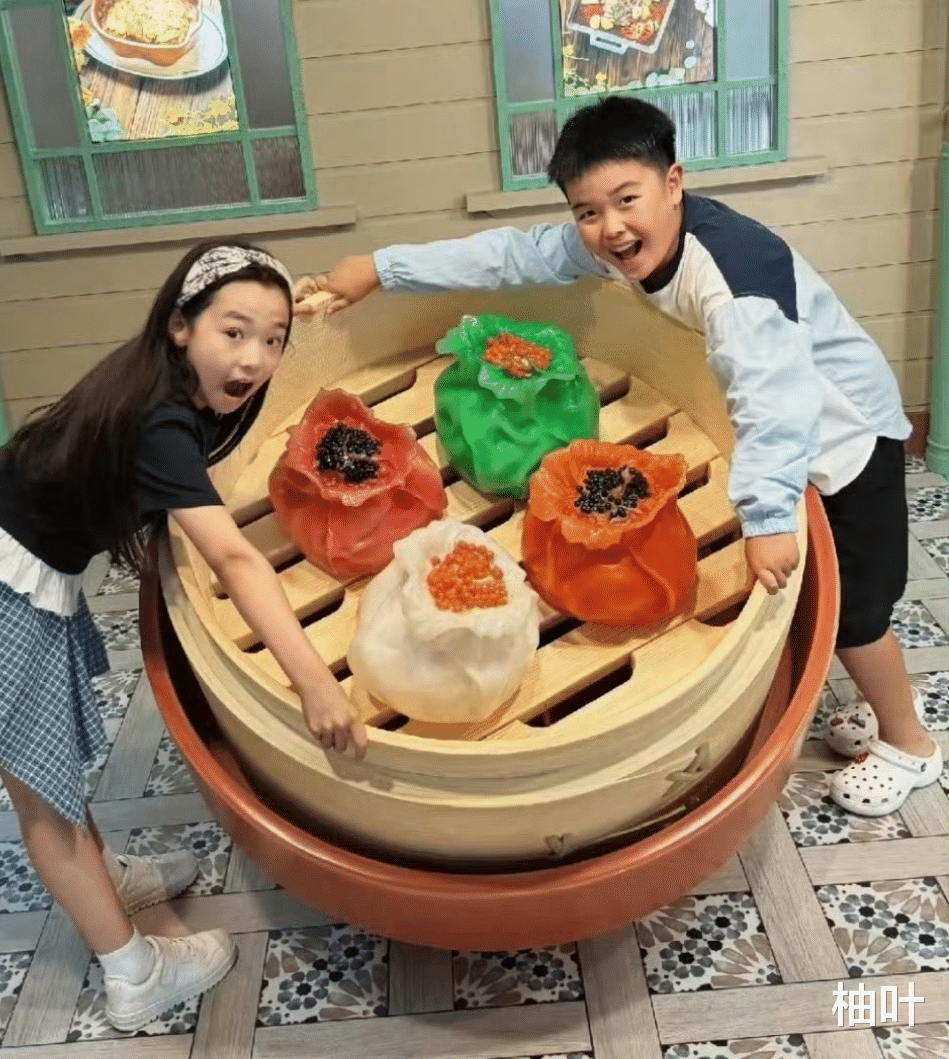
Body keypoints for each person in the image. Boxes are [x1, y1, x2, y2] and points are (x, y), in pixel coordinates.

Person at [294, 95, 941, 818]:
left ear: (674, 183)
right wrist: (381, 268)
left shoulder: (734, 282)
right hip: (796, 438)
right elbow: (510, 255)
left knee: (857, 612)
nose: (611, 227)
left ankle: (910, 742)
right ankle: (880, 703)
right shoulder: (620, 243)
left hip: (846, 440)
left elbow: (775, 404)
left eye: (627, 199)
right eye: (588, 211)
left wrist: (764, 517)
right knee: (828, 596)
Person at [0, 239, 367, 1032]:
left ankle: (108, 872)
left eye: (272, 338)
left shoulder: (155, 378)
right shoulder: (160, 422)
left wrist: (290, 313)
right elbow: (235, 557)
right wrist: (314, 680)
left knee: (51, 772)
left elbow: (233, 397)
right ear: (181, 325)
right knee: (42, 798)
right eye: (233, 331)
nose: (254, 356)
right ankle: (133, 971)